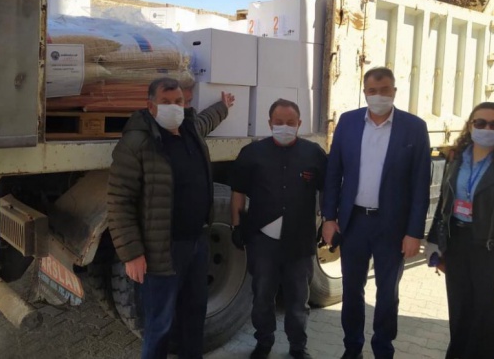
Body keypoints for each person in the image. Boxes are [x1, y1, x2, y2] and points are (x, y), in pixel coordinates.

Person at [107, 77, 233, 359]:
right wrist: (131, 254)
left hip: (197, 243)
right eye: (165, 102)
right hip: (163, 251)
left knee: (194, 315)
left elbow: (206, 120)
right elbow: (119, 200)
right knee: (159, 325)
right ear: (151, 106)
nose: (173, 107)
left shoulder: (190, 128)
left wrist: (223, 107)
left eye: (178, 102)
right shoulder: (137, 142)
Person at [321, 67, 431, 359]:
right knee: (351, 291)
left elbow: (420, 184)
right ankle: (352, 348)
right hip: (354, 223)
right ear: (365, 92)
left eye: (384, 90)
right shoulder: (348, 122)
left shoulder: (414, 128)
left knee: (387, 294)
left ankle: (383, 350)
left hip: (392, 227)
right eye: (372, 91)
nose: (378, 96)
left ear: (394, 91)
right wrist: (328, 218)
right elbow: (333, 173)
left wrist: (414, 232)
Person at [425, 102, 494, 359]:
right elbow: (445, 202)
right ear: (470, 126)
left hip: (490, 251)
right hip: (457, 246)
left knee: (487, 321)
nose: (487, 128)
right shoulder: (455, 159)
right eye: (480, 123)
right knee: (460, 315)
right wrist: (434, 242)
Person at [230, 99, 327, 359]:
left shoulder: (314, 154)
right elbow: (238, 191)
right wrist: (236, 225)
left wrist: (327, 221)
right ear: (270, 123)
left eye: (290, 122)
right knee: (262, 297)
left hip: (300, 241)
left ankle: (298, 346)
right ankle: (264, 342)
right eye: (279, 122)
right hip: (263, 241)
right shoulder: (252, 153)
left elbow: (326, 190)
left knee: (298, 300)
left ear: (299, 124)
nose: (285, 126)